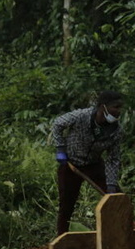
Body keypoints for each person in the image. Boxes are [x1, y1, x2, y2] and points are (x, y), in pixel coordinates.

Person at [51, 91, 124, 236]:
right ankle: (62, 238)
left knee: (117, 198)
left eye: (120, 107)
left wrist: (110, 185)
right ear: (103, 107)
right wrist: (60, 148)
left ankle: (120, 234)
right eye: (116, 107)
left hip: (94, 165)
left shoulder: (116, 131)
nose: (119, 111)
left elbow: (112, 159)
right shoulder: (81, 116)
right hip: (71, 165)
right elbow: (57, 124)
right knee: (66, 205)